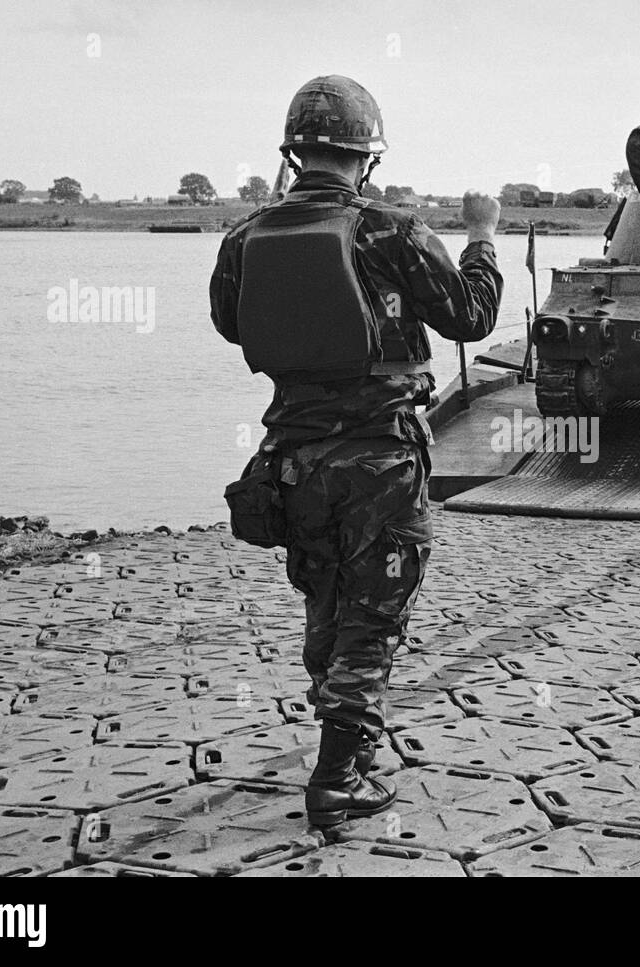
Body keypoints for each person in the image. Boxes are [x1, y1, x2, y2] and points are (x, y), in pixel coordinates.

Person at [209, 75, 503, 829]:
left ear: (294, 151)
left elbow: (230, 325)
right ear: (367, 157)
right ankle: (337, 779)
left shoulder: (245, 237)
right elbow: (471, 316)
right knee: (373, 618)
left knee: (327, 601)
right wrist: (481, 237)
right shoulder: (394, 231)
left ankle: (349, 747)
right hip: (380, 460)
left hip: (293, 461)